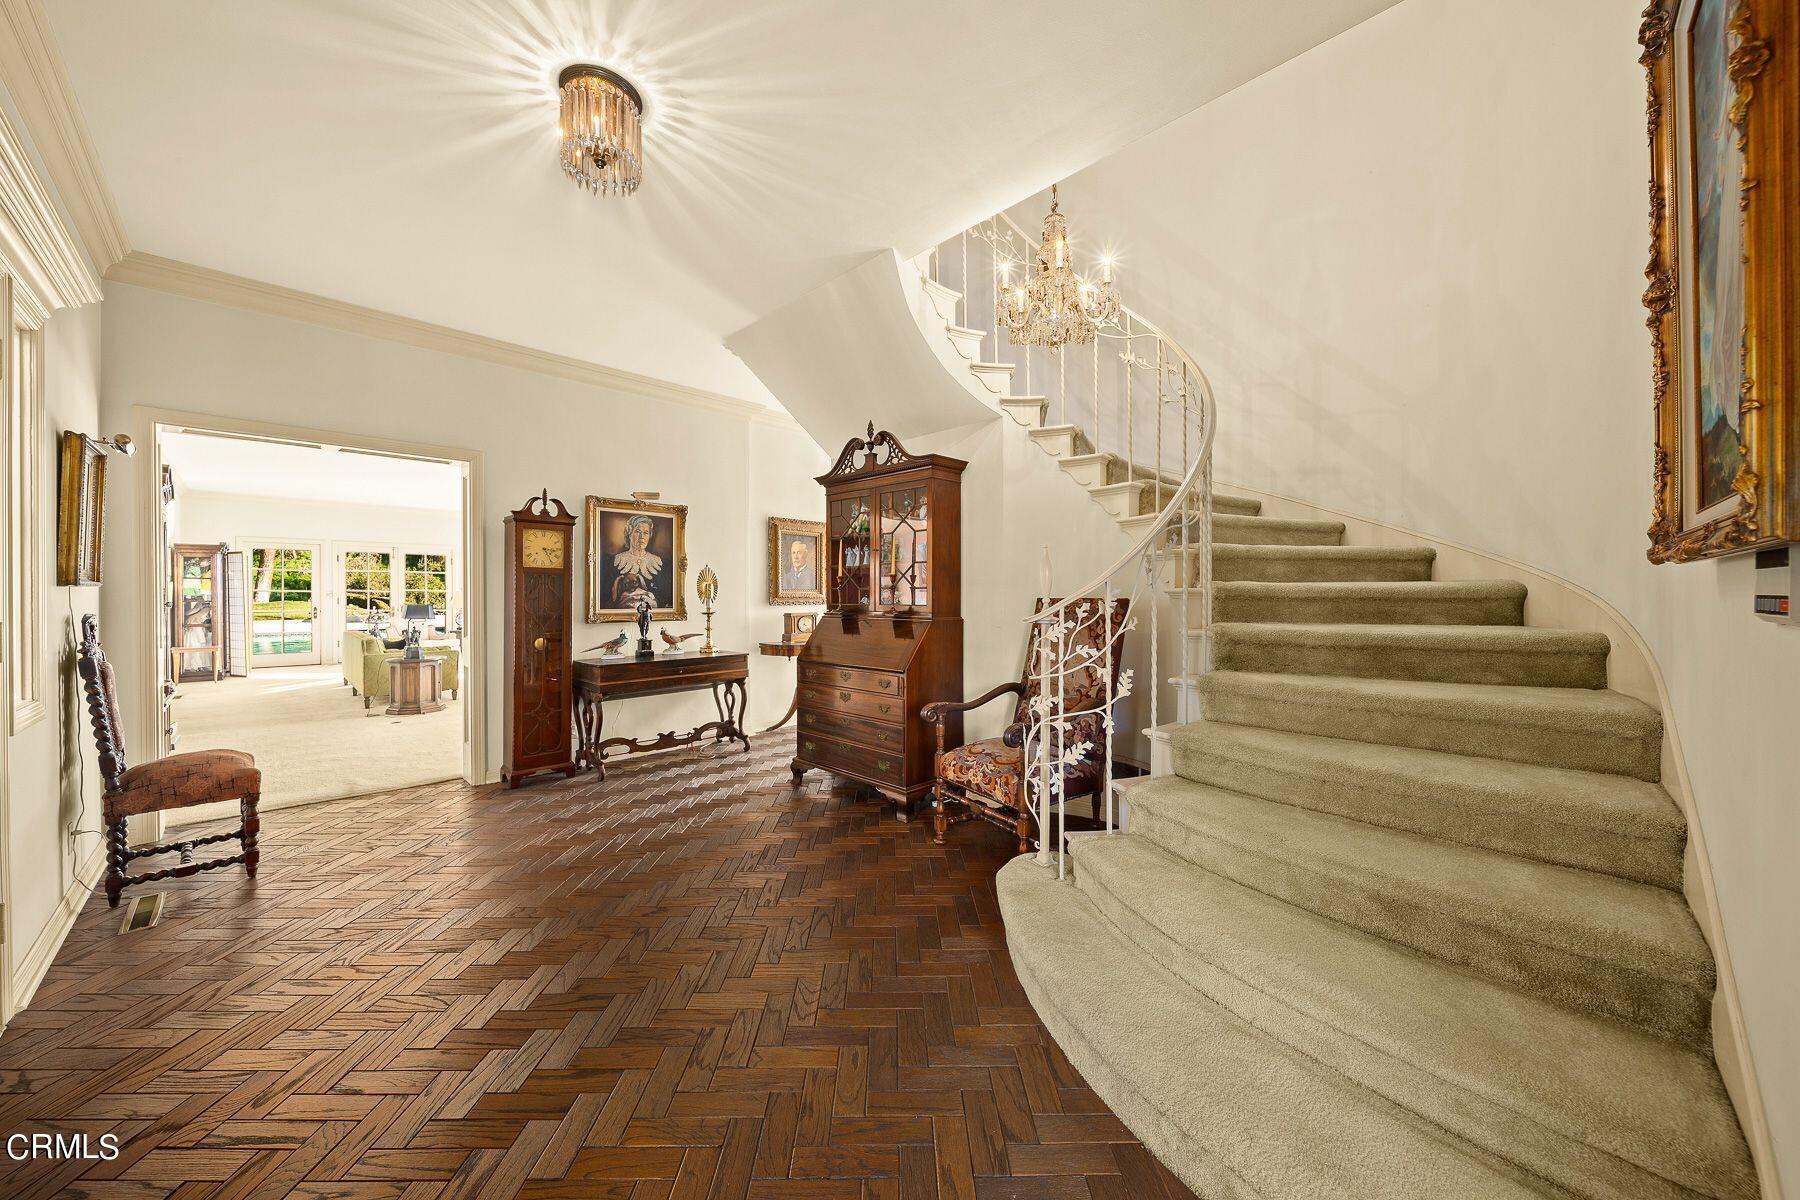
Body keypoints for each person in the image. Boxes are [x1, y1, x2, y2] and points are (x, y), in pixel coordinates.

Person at [610, 514, 664, 610]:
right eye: (637, 532)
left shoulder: (660, 562)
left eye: (646, 533)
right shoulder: (613, 561)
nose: (641, 537)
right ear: (629, 533)